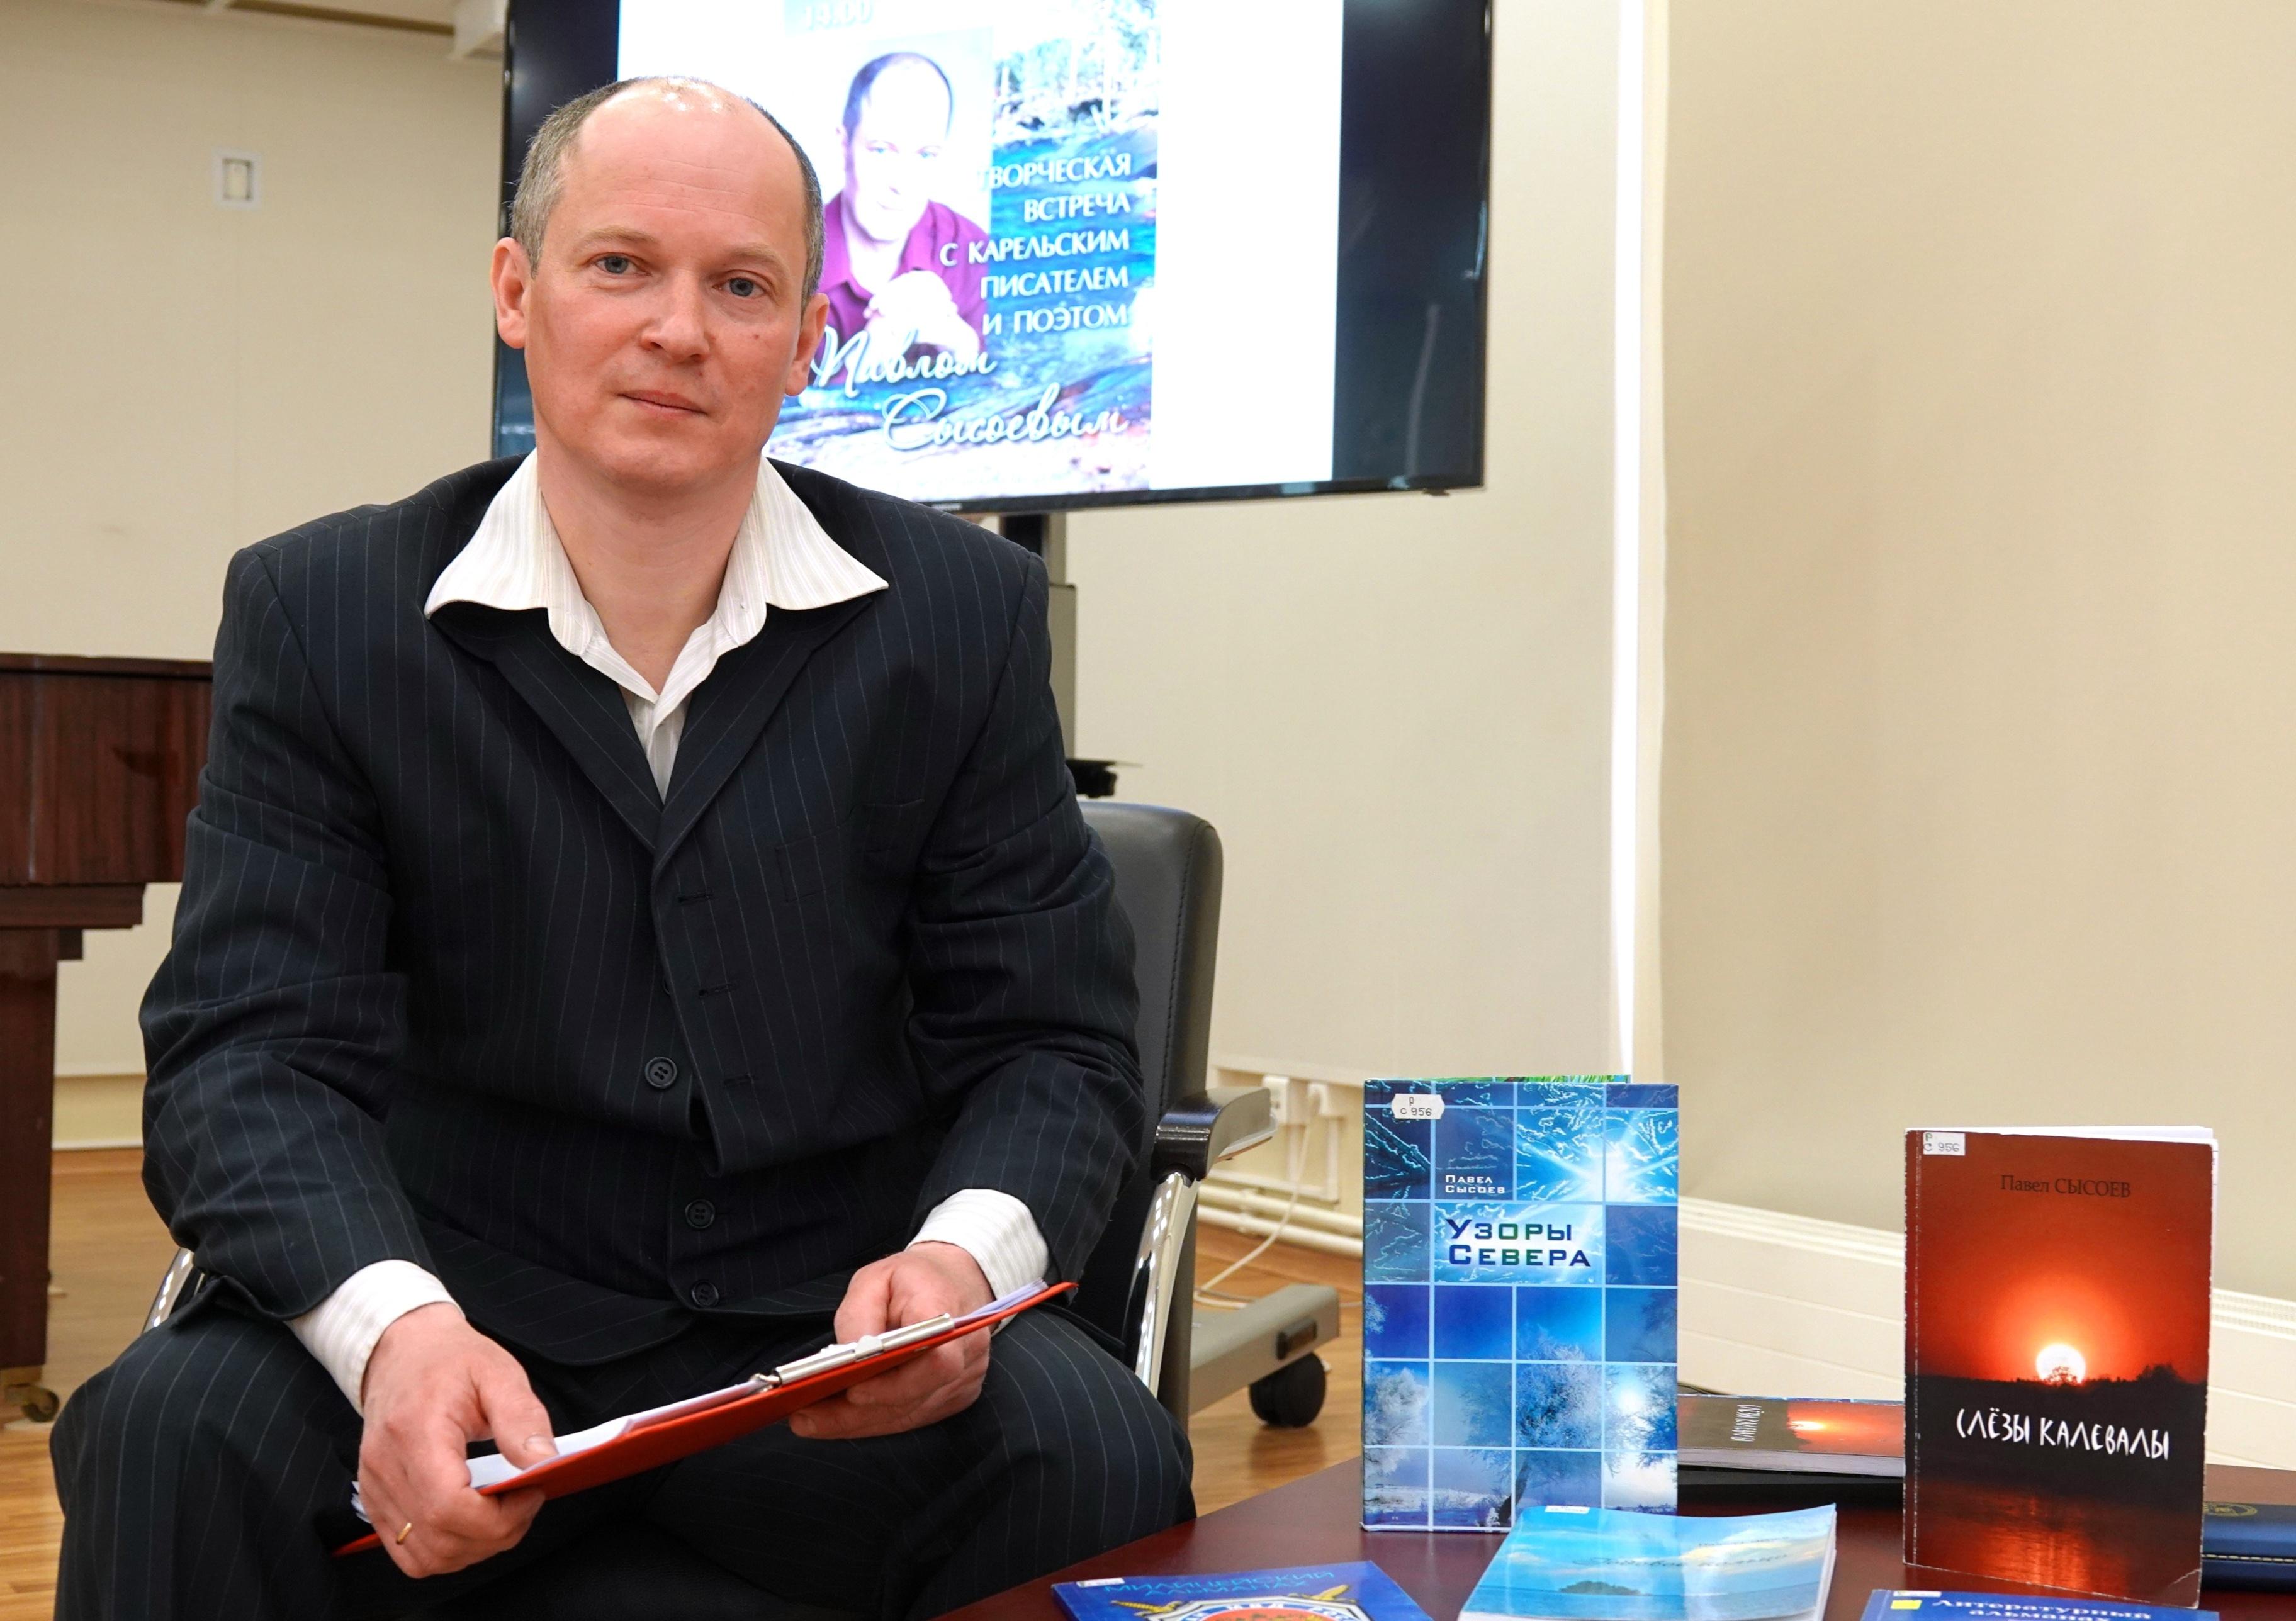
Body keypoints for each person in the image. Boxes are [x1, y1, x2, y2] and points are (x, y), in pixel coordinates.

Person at [50, 76, 1190, 1621]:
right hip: (459, 1310)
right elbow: (248, 1055)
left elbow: (1054, 1040)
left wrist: (959, 1267)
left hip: (823, 1342)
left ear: (809, 339)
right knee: (168, 1439)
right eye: (620, 266)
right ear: (516, 294)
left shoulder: (959, 619)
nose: (679, 329)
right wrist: (396, 1334)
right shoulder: (325, 614)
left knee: (1094, 1451)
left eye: (742, 288)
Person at [819, 52, 989, 365]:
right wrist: (869, 355)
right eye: (882, 150)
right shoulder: (790, 258)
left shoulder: (971, 248)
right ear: (844, 147)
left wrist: (965, 349)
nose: (902, 184)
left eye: (925, 155)